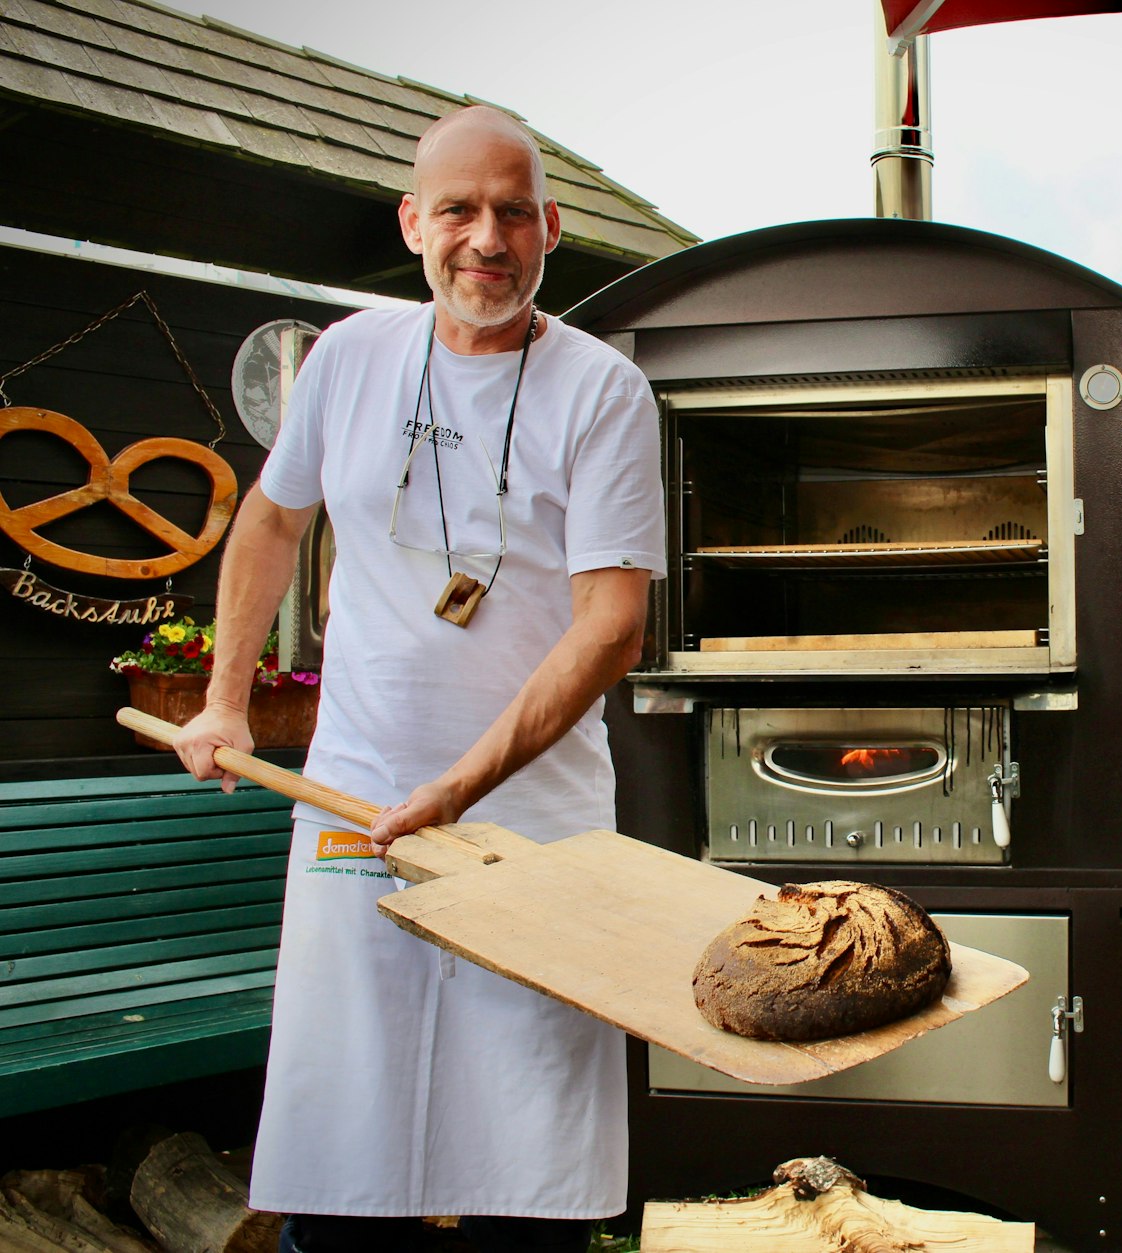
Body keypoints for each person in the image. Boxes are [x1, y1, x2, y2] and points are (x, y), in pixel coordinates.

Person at [174, 106, 665, 1253]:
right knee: (350, 1126)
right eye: (457, 209)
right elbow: (269, 520)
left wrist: (457, 786)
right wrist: (224, 696)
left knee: (526, 1142)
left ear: (549, 228)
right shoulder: (347, 357)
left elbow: (610, 627)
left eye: (510, 212)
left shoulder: (600, 392)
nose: (483, 239)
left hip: (530, 818)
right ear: (413, 221)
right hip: (355, 798)